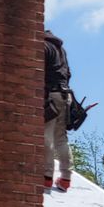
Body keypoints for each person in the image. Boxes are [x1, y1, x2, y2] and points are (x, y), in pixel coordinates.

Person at [43, 29, 73, 193]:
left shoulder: (44, 46)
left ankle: (46, 176)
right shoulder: (61, 50)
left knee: (46, 135)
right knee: (61, 138)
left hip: (52, 94)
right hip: (65, 95)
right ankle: (66, 178)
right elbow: (68, 74)